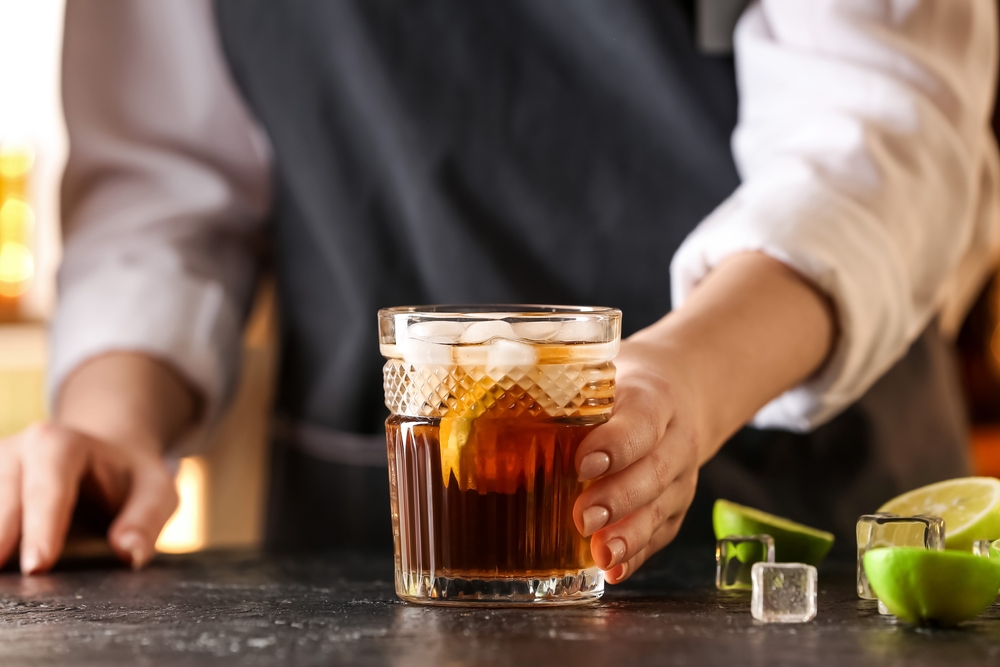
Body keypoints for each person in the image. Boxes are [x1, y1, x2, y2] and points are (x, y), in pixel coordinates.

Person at [1, 0, 996, 582]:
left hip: (803, 495)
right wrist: (111, 424)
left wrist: (684, 385)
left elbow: (879, 131)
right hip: (366, 543)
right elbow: (167, 188)